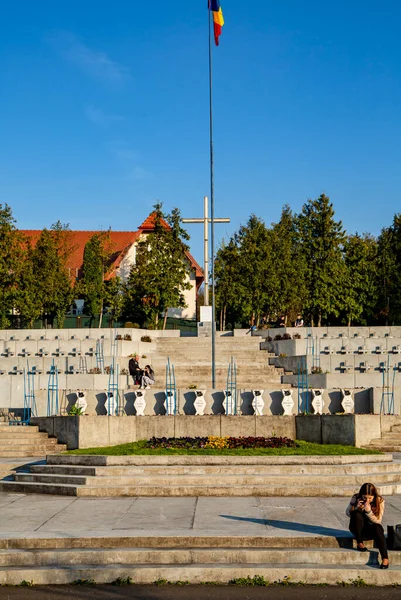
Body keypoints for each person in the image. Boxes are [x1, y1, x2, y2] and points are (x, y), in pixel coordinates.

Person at [346, 482, 389, 568]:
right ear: (361, 495)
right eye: (365, 497)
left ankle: (385, 558)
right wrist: (356, 508)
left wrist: (369, 512)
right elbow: (347, 513)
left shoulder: (380, 501)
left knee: (378, 528)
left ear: (374, 496)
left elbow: (378, 521)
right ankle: (359, 543)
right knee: (357, 514)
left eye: (370, 498)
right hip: (357, 529)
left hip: (370, 529)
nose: (367, 500)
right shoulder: (356, 497)